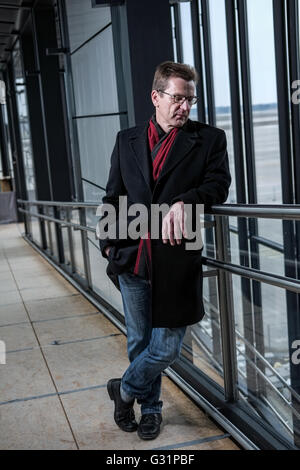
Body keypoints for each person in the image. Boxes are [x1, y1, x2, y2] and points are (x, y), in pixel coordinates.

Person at [98, 61, 231, 440]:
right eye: (178, 98)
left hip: (176, 257)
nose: (185, 107)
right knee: (139, 341)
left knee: (167, 347)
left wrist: (185, 201)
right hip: (131, 257)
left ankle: (123, 389)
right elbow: (113, 195)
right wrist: (109, 246)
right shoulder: (127, 140)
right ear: (156, 97)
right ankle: (151, 409)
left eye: (191, 100)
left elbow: (218, 185)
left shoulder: (209, 139)